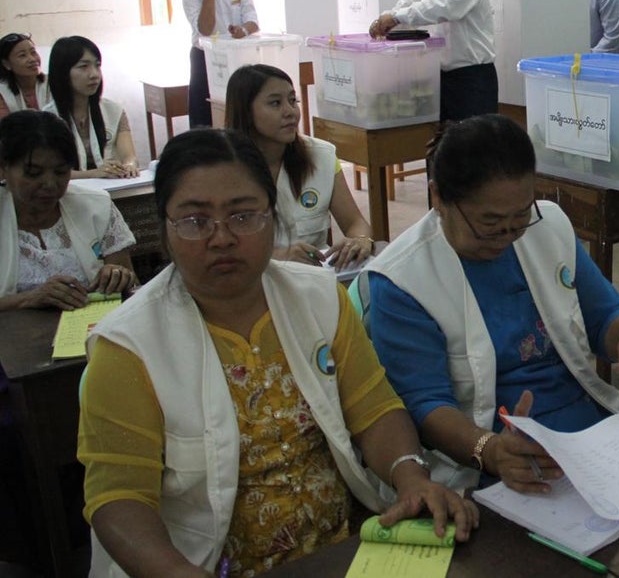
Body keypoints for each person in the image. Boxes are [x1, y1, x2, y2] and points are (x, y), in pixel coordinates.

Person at [78, 128, 477, 577]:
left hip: (344, 548)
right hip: (203, 564)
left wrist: (411, 476)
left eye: (243, 216)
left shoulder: (319, 296)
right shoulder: (128, 346)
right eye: (194, 220)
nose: (222, 237)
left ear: (273, 216)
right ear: (165, 231)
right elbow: (120, 499)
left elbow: (375, 409)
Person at [365, 114, 619, 494]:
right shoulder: (403, 280)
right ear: (438, 198)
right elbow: (426, 406)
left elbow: (603, 316)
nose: (509, 235)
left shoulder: (549, 226)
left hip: (587, 433)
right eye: (491, 222)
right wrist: (491, 451)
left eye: (520, 216)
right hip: (485, 456)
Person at [225, 64, 374, 270]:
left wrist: (360, 239)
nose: (290, 112)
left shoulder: (321, 156)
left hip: (314, 280)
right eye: (275, 103)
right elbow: (218, 249)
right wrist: (277, 257)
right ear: (246, 112)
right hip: (252, 282)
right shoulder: (221, 169)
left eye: (293, 100)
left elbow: (354, 222)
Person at [0, 110, 138, 313]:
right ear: (4, 167)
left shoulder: (95, 207)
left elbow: (129, 280)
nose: (49, 184)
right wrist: (28, 299)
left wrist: (117, 277)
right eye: (33, 173)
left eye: (61, 171)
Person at [369, 0, 497, 122]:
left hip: (472, 81)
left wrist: (395, 18)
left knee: (475, 148)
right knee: (447, 148)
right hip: (444, 80)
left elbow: (443, 6)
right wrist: (385, 20)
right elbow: (410, 5)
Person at [182, 0, 259, 128]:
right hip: (205, 58)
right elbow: (205, 30)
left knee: (240, 110)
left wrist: (243, 31)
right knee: (205, 114)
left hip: (237, 55)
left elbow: (253, 21)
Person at [47, 36, 139, 179]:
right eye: (83, 67)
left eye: (97, 65)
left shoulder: (113, 111)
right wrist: (93, 174)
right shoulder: (47, 118)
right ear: (62, 72)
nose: (95, 74)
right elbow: (51, 172)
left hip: (111, 187)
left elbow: (129, 156)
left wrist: (129, 166)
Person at [0, 33, 54, 118]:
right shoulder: (2, 92)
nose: (32, 59)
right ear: (6, 64)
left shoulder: (54, 82)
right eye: (22, 55)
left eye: (33, 52)